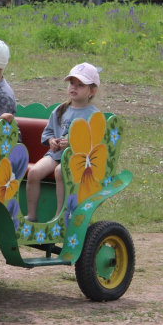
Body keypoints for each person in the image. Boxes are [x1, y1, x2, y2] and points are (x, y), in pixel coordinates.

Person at [25, 62, 102, 223]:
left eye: (81, 85)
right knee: (33, 172)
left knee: (61, 171)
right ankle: (31, 216)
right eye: (72, 83)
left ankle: (59, 217)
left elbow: (94, 142)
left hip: (78, 159)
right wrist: (51, 141)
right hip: (55, 155)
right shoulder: (61, 110)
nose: (74, 87)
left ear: (92, 91)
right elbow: (48, 132)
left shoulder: (93, 115)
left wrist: (73, 144)